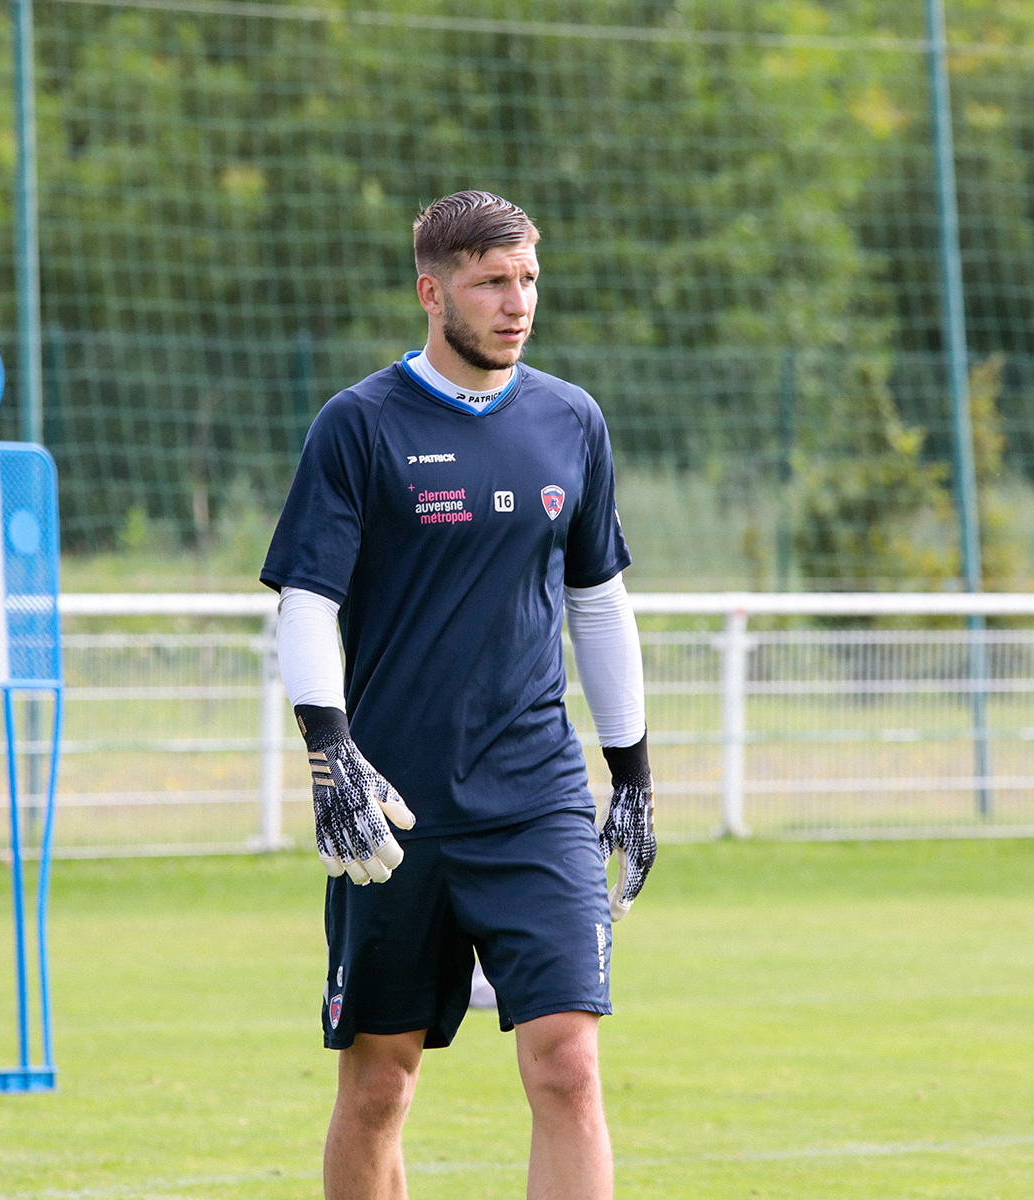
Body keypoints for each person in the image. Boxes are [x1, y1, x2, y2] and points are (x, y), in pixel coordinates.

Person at [261, 189, 655, 1200]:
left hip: (536, 797)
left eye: (526, 278)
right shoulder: (358, 425)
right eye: (490, 282)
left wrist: (633, 775)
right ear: (433, 292)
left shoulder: (573, 419)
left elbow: (598, 603)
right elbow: (306, 601)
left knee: (568, 1066)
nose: (515, 301)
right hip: (397, 805)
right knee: (379, 1087)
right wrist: (328, 747)